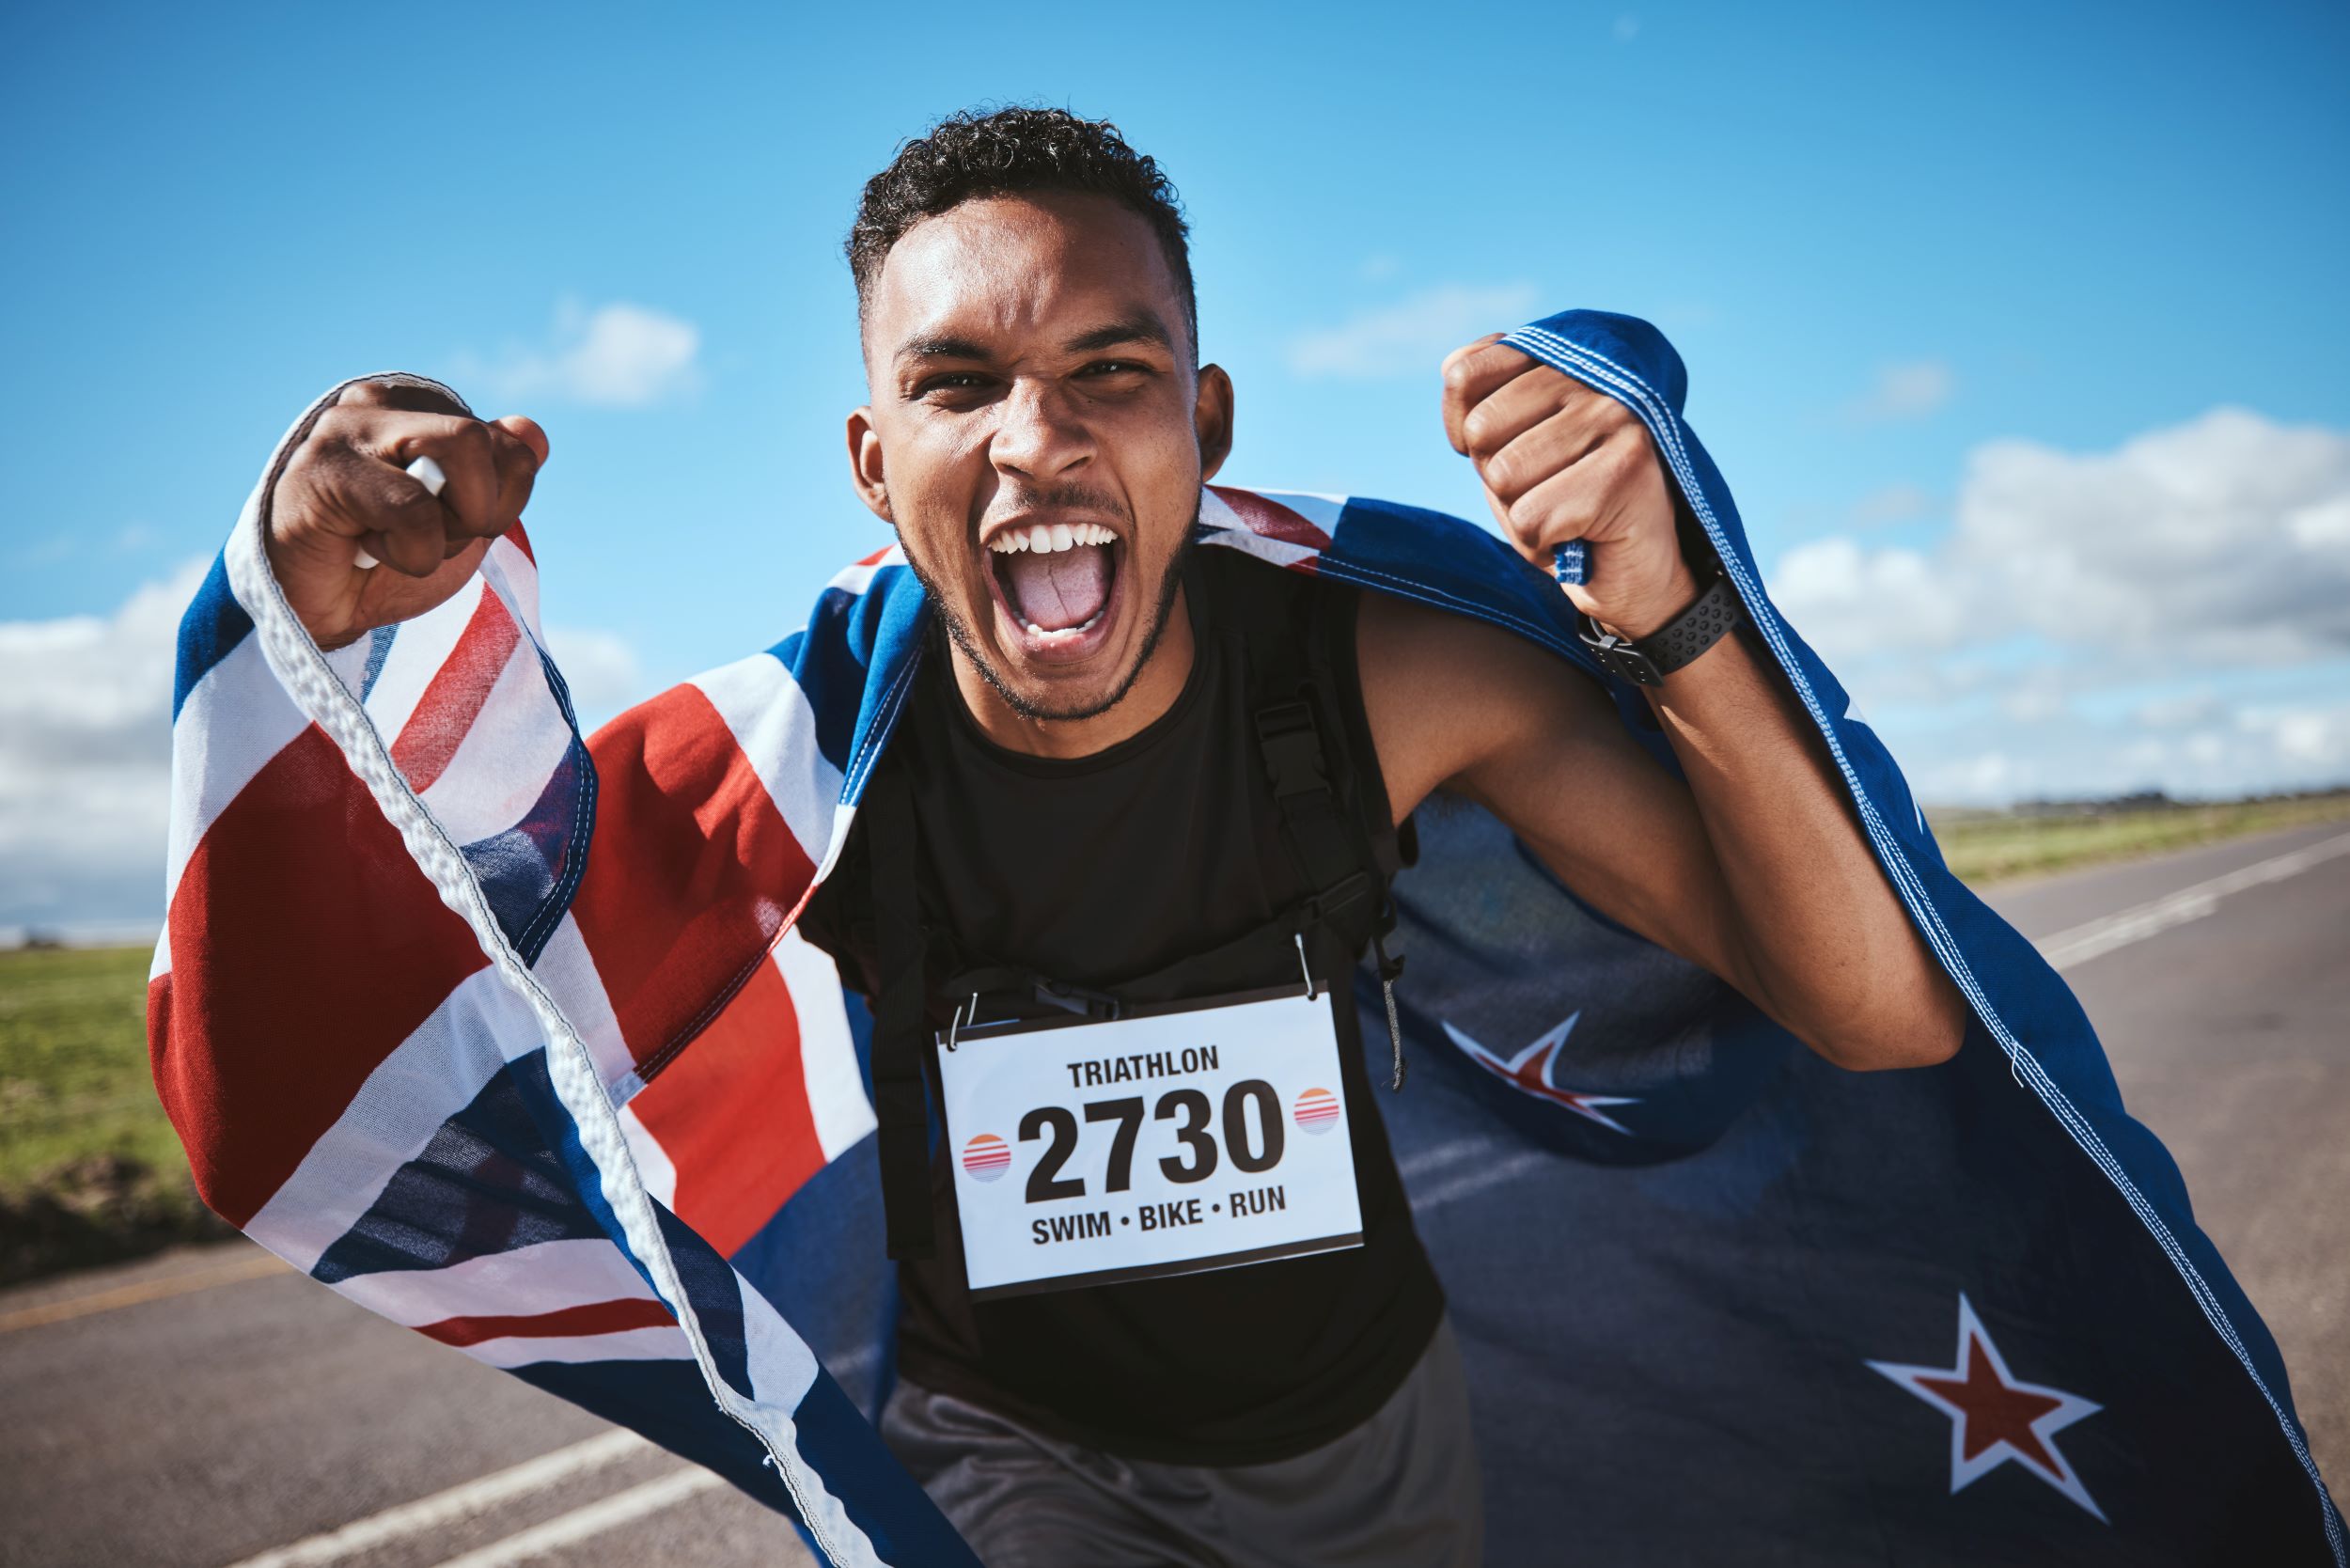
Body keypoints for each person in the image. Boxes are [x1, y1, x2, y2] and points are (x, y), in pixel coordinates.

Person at [253, 107, 1966, 1565]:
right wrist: (308, 624)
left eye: (1108, 370)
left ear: (1204, 428)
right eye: (958, 384)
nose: (1038, 438)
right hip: (1009, 1458)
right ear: (872, 459)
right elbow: (380, 1022)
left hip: (1372, 1454)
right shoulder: (792, 773)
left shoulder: (1376, 684)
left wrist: (1672, 611)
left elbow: (1878, 1013)